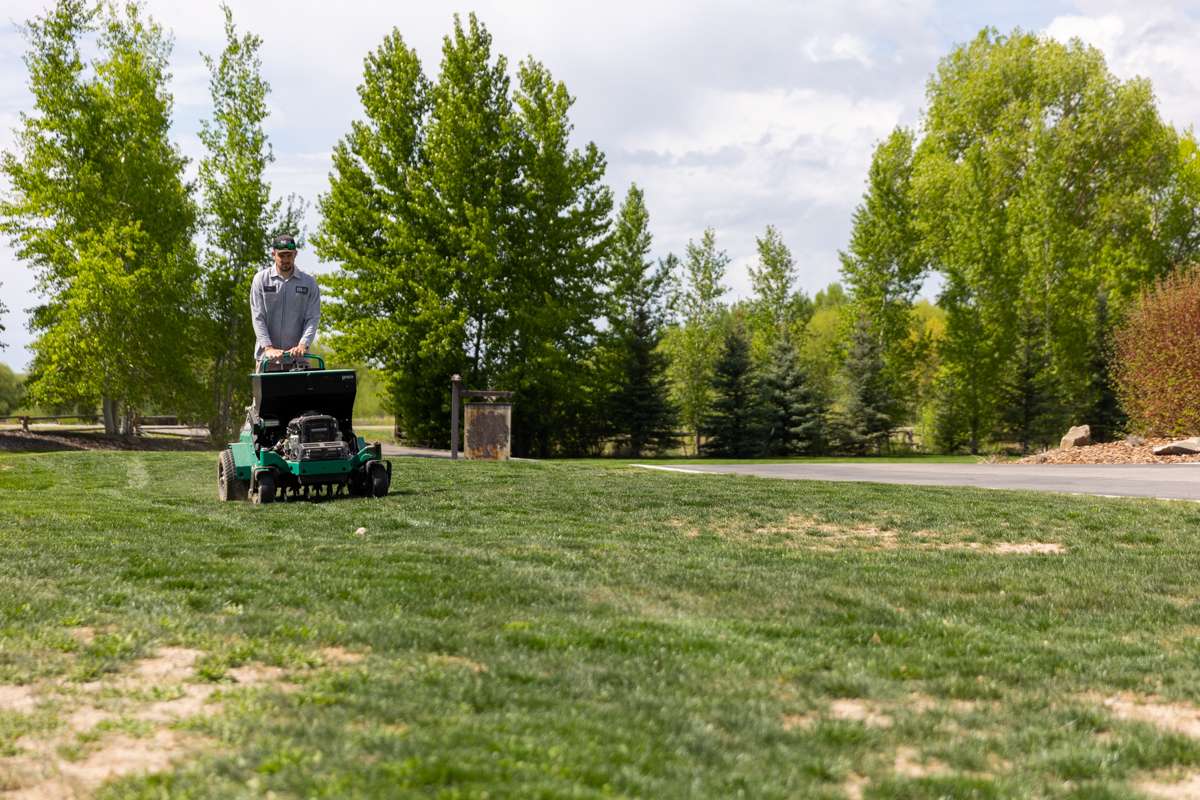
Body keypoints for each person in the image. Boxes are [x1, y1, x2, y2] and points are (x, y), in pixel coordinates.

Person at [250, 234, 321, 366]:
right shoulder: (260, 280)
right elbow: (258, 317)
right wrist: (268, 348)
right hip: (268, 360)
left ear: (295, 254)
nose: (285, 259)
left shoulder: (309, 283)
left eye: (289, 255)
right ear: (273, 254)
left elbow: (313, 318)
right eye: (281, 255)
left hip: (298, 360)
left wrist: (302, 345)